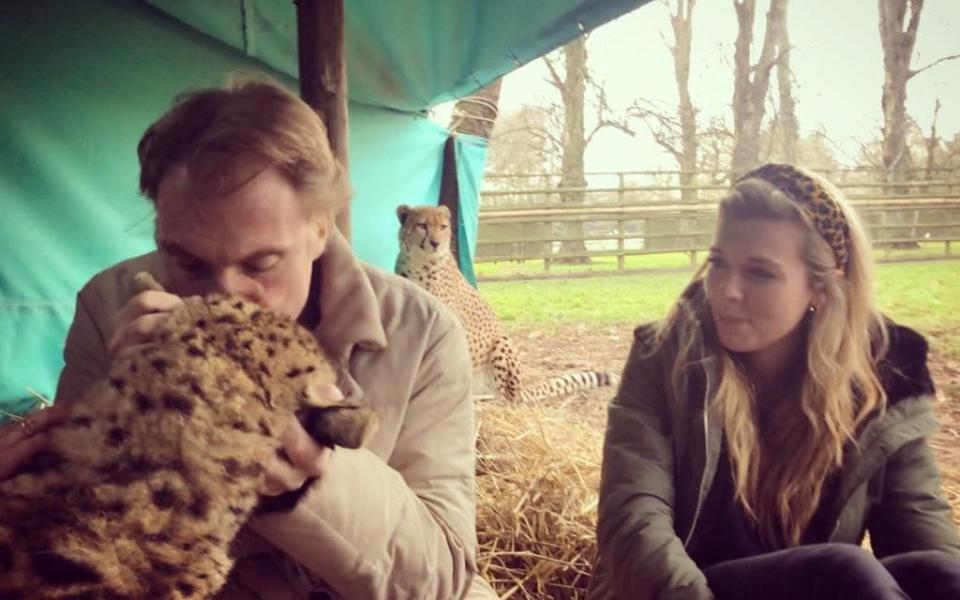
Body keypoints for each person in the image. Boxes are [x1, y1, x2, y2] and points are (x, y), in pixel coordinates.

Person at [7, 75, 498, 599]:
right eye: (188, 262)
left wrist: (311, 484)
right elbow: (77, 538)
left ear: (318, 228)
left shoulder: (421, 331)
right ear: (160, 232)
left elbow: (442, 578)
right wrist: (127, 421)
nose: (226, 296)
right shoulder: (109, 305)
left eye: (261, 262)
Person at [588, 163, 960, 600]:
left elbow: (918, 525)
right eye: (719, 264)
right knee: (843, 570)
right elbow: (633, 521)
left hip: (809, 585)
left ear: (820, 287)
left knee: (940, 573)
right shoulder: (664, 357)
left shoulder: (884, 378)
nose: (727, 289)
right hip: (680, 591)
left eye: (760, 273)